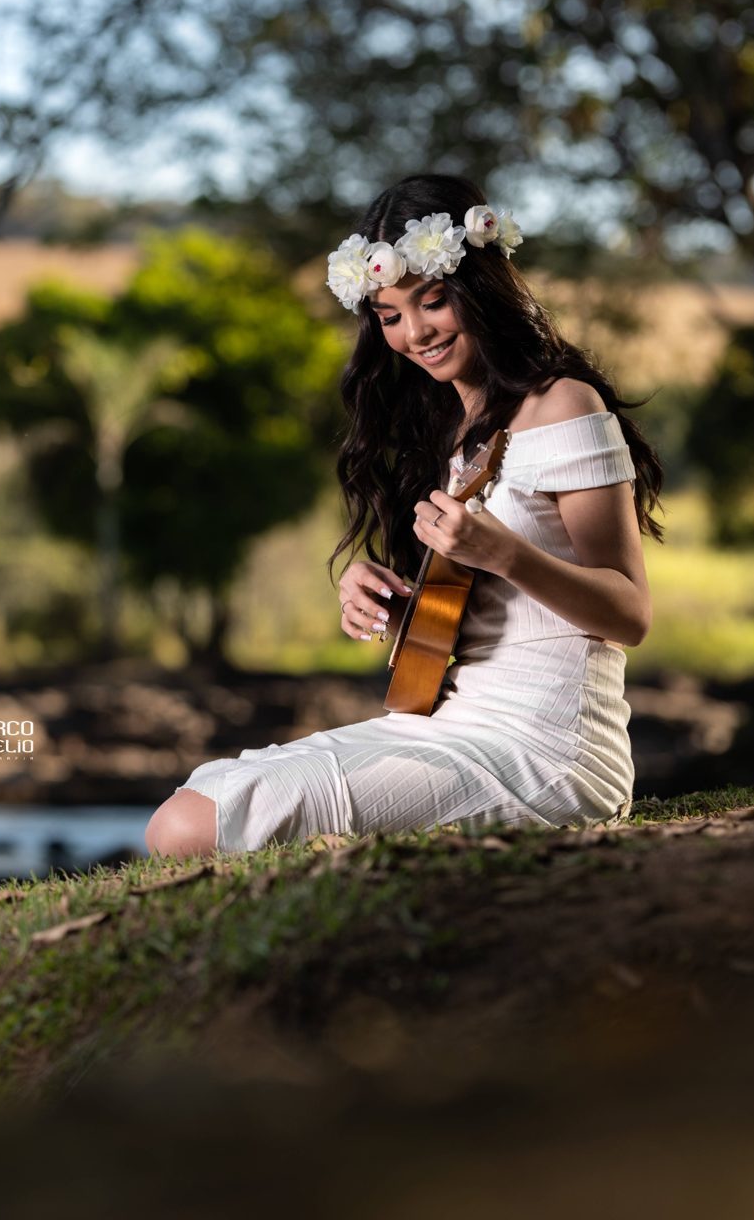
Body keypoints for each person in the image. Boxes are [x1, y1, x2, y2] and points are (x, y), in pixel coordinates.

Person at [146, 172, 666, 858]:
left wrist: (504, 552)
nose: (416, 332)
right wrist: (401, 611)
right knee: (197, 801)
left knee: (194, 828)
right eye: (390, 316)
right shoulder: (455, 428)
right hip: (451, 724)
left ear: (479, 288)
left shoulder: (566, 405)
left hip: (549, 753)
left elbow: (629, 614)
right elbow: (485, 621)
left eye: (434, 302)